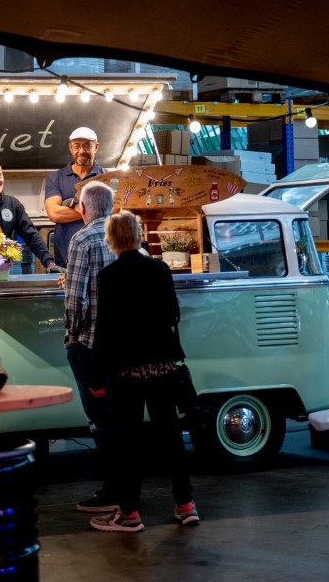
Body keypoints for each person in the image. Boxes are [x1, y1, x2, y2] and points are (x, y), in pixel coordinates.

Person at [87, 210, 199, 532]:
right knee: (171, 439)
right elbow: (173, 314)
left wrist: (96, 376)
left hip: (127, 374)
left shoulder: (108, 277)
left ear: (111, 240)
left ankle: (130, 514)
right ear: (138, 236)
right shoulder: (160, 268)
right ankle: (186, 505)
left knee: (129, 444)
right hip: (163, 368)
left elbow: (104, 329)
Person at [62, 180, 119, 513]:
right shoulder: (128, 237)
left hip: (91, 345)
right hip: (123, 348)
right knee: (119, 419)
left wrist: (72, 332)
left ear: (83, 208)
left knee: (99, 420)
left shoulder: (82, 239)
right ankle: (125, 491)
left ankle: (113, 490)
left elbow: (75, 299)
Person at [44, 126, 105, 269]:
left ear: (96, 147)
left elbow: (114, 211)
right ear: (70, 148)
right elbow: (54, 213)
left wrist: (73, 205)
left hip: (101, 256)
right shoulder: (55, 178)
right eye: (77, 146)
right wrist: (94, 209)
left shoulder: (107, 177)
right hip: (66, 258)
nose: (81, 151)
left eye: (87, 146)